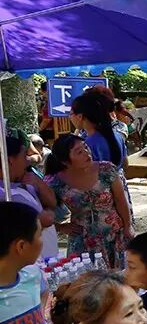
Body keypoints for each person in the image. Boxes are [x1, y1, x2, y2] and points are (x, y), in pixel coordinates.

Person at [44, 134, 132, 267]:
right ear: (65, 161)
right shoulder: (55, 181)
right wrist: (60, 227)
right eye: (79, 152)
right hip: (83, 241)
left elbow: (120, 199)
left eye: (86, 147)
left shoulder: (106, 169)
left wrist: (128, 226)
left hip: (114, 235)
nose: (86, 153)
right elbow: (40, 211)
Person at [4, 134, 58, 259]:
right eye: (24, 157)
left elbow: (52, 202)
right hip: (29, 264)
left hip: (45, 258)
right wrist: (48, 212)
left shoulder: (25, 181)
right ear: (10, 161)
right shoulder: (4, 194)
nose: (28, 161)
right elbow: (46, 219)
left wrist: (38, 183)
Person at [70, 89, 126, 170]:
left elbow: (83, 171)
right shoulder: (118, 136)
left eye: (71, 113)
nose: (70, 117)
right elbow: (125, 164)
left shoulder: (86, 145)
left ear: (80, 116)